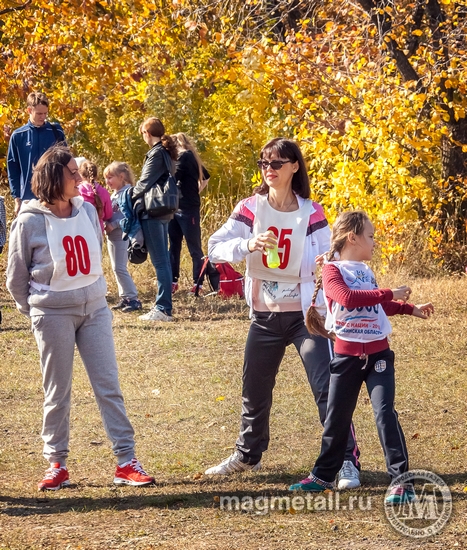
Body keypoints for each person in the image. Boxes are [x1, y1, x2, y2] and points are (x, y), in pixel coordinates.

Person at [204, 138, 361, 490]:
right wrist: (247, 245)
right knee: (254, 389)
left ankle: (347, 460)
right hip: (264, 317)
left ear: (294, 167)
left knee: (327, 387)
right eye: (264, 163)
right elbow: (214, 248)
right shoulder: (249, 208)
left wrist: (325, 263)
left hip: (306, 318)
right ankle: (248, 455)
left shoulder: (312, 211)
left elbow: (332, 258)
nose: (269, 169)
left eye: (277, 163)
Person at [6, 145, 154, 491]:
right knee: (57, 390)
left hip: (95, 310)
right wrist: (37, 310)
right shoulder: (28, 221)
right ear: (53, 177)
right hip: (52, 315)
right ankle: (56, 464)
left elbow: (95, 255)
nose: (79, 177)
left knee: (109, 386)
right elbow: (15, 277)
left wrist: (93, 297)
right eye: (72, 173)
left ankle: (126, 461)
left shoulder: (87, 209)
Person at [289, 210, 434, 504]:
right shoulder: (332, 271)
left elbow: (376, 306)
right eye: (370, 236)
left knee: (385, 414)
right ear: (352, 238)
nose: (374, 242)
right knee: (336, 420)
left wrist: (410, 308)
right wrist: (389, 292)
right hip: (346, 359)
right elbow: (349, 299)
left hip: (379, 355)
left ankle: (401, 483)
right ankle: (322, 476)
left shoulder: (366, 272)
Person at [132, 117, 178, 322]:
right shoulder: (166, 152)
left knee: (160, 262)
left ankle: (163, 307)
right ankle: (164, 305)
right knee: (164, 261)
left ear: (147, 134)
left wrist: (128, 196)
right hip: (164, 210)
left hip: (152, 211)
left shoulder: (156, 153)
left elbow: (144, 182)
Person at [7, 92, 66, 216]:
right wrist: (17, 198)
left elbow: (66, 162)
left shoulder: (56, 131)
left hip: (53, 195)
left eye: (45, 113)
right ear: (29, 110)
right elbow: (13, 169)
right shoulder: (18, 135)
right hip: (28, 198)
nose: (43, 117)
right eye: (39, 113)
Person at [168, 133, 210, 294]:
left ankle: (196, 283)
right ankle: (176, 280)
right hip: (179, 206)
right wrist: (197, 191)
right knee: (177, 245)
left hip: (186, 208)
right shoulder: (192, 157)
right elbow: (206, 177)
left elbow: (173, 177)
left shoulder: (185, 156)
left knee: (192, 247)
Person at [103, 161, 142, 313]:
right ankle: (125, 297)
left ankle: (133, 298)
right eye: (106, 178)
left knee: (120, 267)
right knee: (115, 267)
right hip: (111, 235)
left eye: (110, 177)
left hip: (121, 235)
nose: (107, 182)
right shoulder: (114, 194)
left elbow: (130, 216)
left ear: (121, 176)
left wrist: (115, 224)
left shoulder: (128, 192)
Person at [78, 160, 113, 234]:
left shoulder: (78, 191)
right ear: (96, 175)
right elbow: (108, 214)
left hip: (82, 229)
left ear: (80, 175)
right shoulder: (104, 192)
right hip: (98, 229)